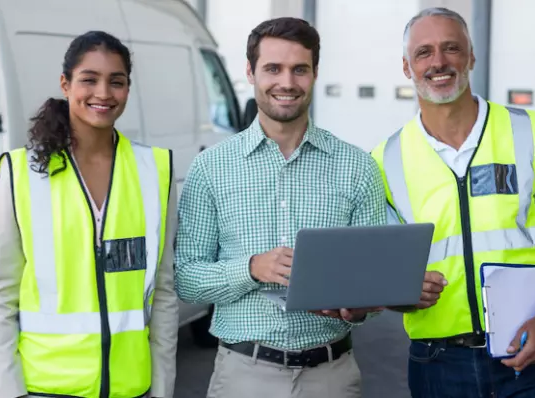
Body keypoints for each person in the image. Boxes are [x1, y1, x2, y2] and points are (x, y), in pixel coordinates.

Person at [174, 17, 441, 398]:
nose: (286, 82)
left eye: (299, 69)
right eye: (273, 69)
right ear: (250, 73)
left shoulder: (355, 167)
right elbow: (187, 277)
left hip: (330, 377)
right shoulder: (211, 167)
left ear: (315, 73)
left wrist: (359, 308)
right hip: (243, 376)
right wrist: (252, 268)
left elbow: (369, 278)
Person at [371, 7, 535, 398]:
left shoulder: (529, 133)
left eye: (451, 48)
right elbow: (382, 276)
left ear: (471, 56)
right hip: (436, 364)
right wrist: (401, 291)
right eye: (424, 53)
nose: (439, 62)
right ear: (406, 67)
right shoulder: (385, 160)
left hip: (526, 356)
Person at [0, 31, 179, 398]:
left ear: (128, 88)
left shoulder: (155, 170)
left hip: (131, 388)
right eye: (89, 79)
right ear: (65, 83)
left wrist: (162, 389)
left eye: (116, 82)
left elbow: (164, 293)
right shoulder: (22, 173)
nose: (103, 93)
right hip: (44, 389)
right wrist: (9, 392)